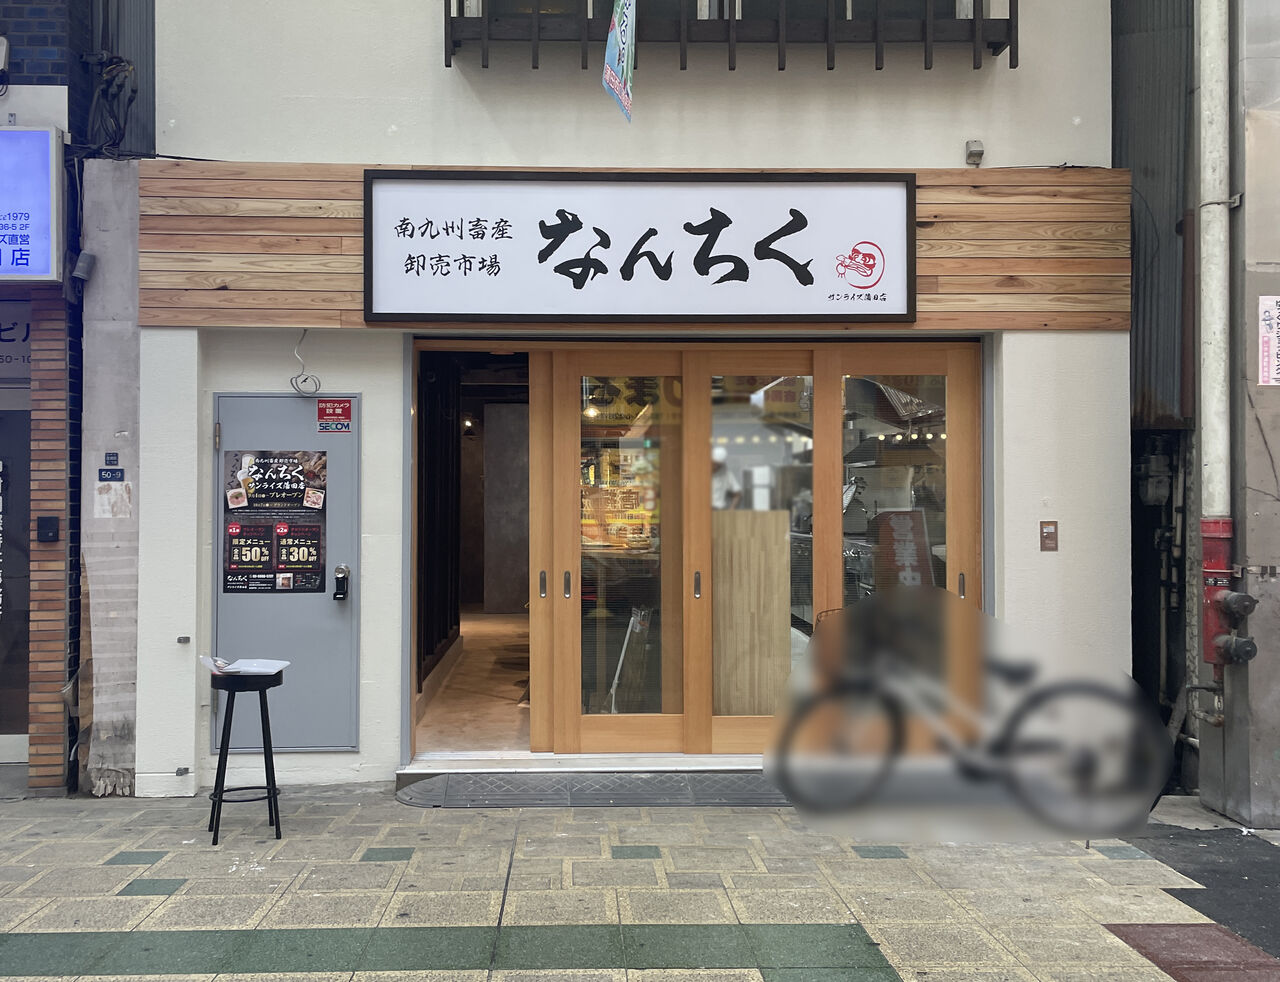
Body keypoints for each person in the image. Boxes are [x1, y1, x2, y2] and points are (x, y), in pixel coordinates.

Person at [711, 445, 742, 510]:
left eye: (718, 465)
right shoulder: (699, 471)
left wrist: (731, 509)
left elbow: (737, 494)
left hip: (718, 510)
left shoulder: (726, 473)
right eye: (714, 464)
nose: (715, 467)